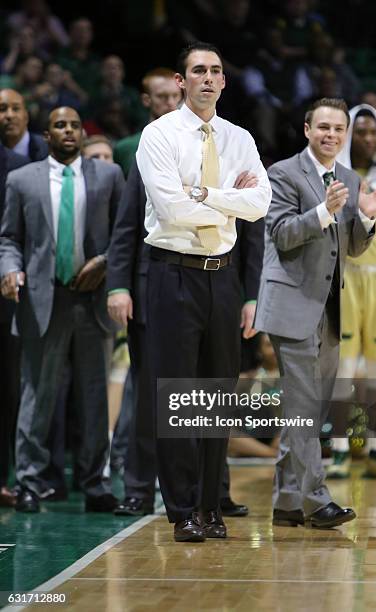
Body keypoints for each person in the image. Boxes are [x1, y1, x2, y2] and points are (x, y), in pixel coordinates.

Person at [134, 42, 270, 542]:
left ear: (224, 81)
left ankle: (212, 506)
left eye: (216, 70)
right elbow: (171, 210)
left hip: (224, 274)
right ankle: (183, 508)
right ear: (181, 80)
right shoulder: (159, 135)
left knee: (218, 394)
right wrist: (227, 201)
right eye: (198, 71)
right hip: (173, 273)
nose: (208, 78)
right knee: (178, 395)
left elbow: (259, 203)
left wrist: (205, 195)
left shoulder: (238, 137)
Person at [255, 97, 376, 529]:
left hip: (330, 310)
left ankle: (287, 502)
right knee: (303, 404)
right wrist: (323, 211)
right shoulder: (283, 173)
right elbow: (280, 234)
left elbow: (349, 247)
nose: (331, 135)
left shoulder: (348, 177)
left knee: (308, 410)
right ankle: (317, 502)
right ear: (308, 129)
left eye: (338, 129)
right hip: (292, 304)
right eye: (324, 127)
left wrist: (366, 220)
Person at [107, 158, 263, 518]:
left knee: (213, 395)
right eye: (162, 96)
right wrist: (118, 285)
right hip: (155, 291)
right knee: (154, 397)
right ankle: (139, 489)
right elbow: (126, 227)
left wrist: (252, 294)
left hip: (219, 283)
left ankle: (215, 492)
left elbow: (253, 232)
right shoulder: (151, 154)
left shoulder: (226, 150)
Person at [0, 106, 124, 513]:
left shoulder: (108, 175)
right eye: (59, 125)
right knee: (37, 394)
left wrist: (105, 262)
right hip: (42, 298)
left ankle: (94, 483)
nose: (68, 131)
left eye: (74, 125)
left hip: (92, 298)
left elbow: (124, 233)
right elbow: (9, 238)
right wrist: (11, 270)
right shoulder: (22, 179)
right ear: (47, 133)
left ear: (82, 133)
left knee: (93, 396)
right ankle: (30, 483)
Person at [327, 104, 376, 480]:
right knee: (342, 366)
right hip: (345, 275)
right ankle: (340, 450)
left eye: (374, 132)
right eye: (360, 132)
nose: (368, 138)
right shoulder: (334, 176)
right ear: (348, 137)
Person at [0, 143, 29, 507]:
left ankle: (2, 477)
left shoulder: (18, 166)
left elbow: (14, 234)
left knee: (7, 389)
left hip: (5, 293)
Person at [113, 68, 182, 177]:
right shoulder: (125, 148)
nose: (171, 102)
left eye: (176, 95)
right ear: (146, 100)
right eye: (162, 96)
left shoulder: (194, 142)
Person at [0, 88, 48, 161]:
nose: (10, 115)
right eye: (2, 109)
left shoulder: (49, 149)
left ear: (26, 116)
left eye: (16, 109)